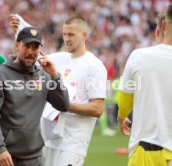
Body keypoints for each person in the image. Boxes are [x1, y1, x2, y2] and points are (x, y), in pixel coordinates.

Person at [10, 15, 107, 166]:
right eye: (64, 34)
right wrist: (20, 31)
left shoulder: (94, 65)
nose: (67, 38)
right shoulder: (58, 58)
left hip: (73, 143)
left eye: (71, 34)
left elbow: (97, 109)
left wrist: (64, 104)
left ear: (84, 35)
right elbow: (30, 57)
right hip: (47, 139)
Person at [0, 26, 69, 166]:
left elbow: (64, 105)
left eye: (35, 47)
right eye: (27, 46)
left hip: (35, 158)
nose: (30, 52)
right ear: (17, 46)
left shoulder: (44, 74)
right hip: (5, 157)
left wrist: (55, 75)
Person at [117, 2, 172, 166]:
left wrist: (121, 117)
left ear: (163, 25)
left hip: (145, 153)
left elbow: (125, 100)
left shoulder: (138, 57)